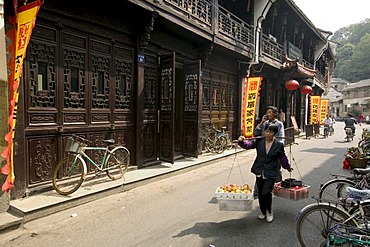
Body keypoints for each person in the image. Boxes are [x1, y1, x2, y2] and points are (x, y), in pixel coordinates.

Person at [238, 124, 293, 223]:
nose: (268, 133)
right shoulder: (259, 141)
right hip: (259, 170)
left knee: (266, 192)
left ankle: (269, 212)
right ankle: (263, 211)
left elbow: (282, 157)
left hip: (271, 172)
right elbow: (249, 145)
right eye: (267, 131)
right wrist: (241, 142)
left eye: (271, 132)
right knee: (260, 194)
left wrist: (287, 167)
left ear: (274, 133)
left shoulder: (278, 145)